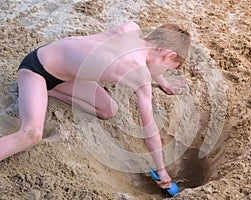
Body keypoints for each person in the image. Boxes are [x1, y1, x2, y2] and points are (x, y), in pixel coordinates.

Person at [0, 21, 191, 189]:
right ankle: (37, 89)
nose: (163, 71)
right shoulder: (140, 75)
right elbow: (149, 130)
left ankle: (46, 92)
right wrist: (162, 170)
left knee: (108, 109)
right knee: (31, 134)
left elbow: (152, 60)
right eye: (168, 68)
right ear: (168, 55)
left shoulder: (130, 28)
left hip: (65, 75)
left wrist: (164, 83)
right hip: (37, 69)